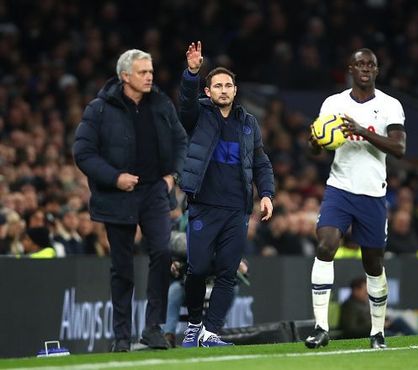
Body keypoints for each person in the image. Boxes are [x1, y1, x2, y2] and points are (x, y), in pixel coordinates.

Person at [73, 49, 187, 352]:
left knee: (162, 252)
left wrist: (172, 175)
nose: (149, 76)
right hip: (118, 195)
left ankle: (153, 327)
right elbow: (83, 153)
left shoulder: (161, 104)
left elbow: (181, 141)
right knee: (122, 267)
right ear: (125, 76)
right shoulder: (99, 109)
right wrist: (114, 177)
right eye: (142, 72)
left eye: (150, 71)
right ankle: (121, 336)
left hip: (154, 191)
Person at [305, 48, 406, 350]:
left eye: (370, 65)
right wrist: (315, 142)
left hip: (373, 194)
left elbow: (399, 148)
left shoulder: (390, 105)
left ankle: (377, 332)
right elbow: (316, 149)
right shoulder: (333, 104)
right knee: (325, 245)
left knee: (373, 264)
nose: (365, 68)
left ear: (377, 70)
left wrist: (361, 131)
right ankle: (320, 327)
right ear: (351, 68)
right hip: (339, 188)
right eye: (360, 64)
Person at [179, 41, 275, 347]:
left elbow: (261, 161)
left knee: (227, 272)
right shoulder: (198, 115)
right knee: (198, 269)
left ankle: (210, 333)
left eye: (228, 85)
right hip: (204, 206)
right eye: (217, 85)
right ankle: (194, 322)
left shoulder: (248, 124)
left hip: (237, 209)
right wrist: (192, 73)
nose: (223, 90)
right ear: (208, 91)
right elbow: (185, 104)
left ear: (235, 90)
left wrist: (267, 193)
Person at [339, 277, 416, 339]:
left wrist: (385, 320)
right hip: (367, 333)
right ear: (356, 290)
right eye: (365, 291)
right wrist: (378, 325)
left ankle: (416, 338)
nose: (367, 293)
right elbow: (351, 330)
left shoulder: (364, 303)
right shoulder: (349, 306)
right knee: (390, 335)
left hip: (376, 328)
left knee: (398, 321)